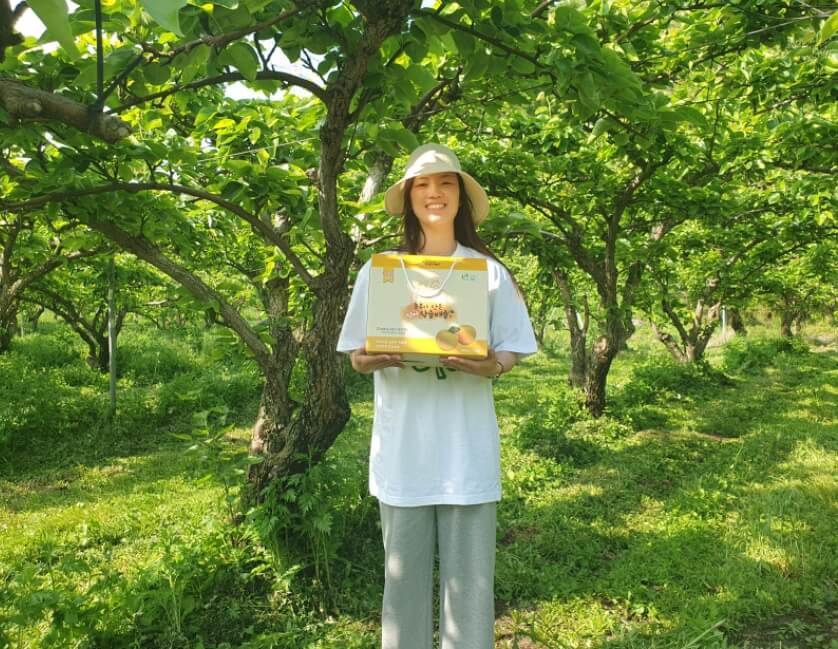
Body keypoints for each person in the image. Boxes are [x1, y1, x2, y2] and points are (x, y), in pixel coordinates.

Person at [337, 143, 538, 649]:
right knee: (401, 588)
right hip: (404, 454)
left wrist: (492, 365)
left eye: (445, 183)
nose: (434, 193)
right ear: (408, 198)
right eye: (423, 185)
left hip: (465, 454)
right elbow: (355, 355)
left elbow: (512, 347)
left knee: (470, 591)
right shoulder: (381, 272)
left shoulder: (488, 272)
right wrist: (369, 359)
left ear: (460, 198)